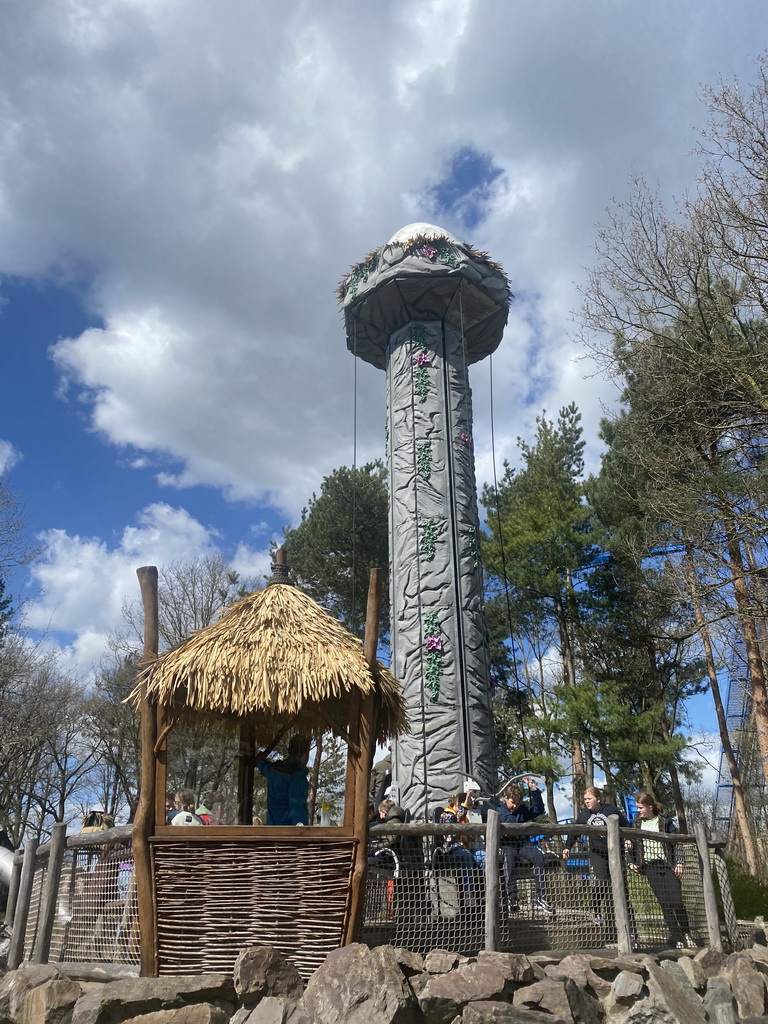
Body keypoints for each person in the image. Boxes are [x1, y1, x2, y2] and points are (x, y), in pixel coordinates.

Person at [626, 793, 693, 948]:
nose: (638, 811)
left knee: (677, 901)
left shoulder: (665, 822)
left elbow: (676, 842)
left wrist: (679, 862)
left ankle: (686, 933)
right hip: (650, 867)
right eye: (637, 808)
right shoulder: (636, 823)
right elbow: (629, 842)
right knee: (665, 904)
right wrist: (630, 860)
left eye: (641, 808)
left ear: (650, 807)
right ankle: (677, 938)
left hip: (667, 865)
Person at [562, 785, 629, 927]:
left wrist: (629, 839)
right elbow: (575, 831)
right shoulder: (584, 815)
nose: (587, 802)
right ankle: (594, 906)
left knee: (619, 885)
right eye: (585, 799)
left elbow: (625, 825)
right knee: (602, 881)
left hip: (615, 852)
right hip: (597, 853)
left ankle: (622, 921)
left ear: (598, 799)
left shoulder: (611, 810)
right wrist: (567, 847)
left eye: (589, 799)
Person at [498, 778, 554, 915]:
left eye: (517, 803)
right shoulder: (498, 810)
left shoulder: (522, 810)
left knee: (538, 855)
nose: (515, 806)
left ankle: (541, 898)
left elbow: (538, 809)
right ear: (506, 799)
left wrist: (534, 790)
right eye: (512, 803)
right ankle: (512, 899)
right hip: (507, 846)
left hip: (523, 845)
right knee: (508, 858)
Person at [256, 734, 311, 826]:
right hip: (288, 833)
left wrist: (260, 760)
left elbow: (262, 765)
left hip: (273, 830)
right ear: (304, 754)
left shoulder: (274, 770)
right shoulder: (297, 776)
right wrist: (302, 831)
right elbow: (297, 806)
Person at [439, 792, 478, 907]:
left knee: (484, 856)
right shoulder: (447, 814)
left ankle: (487, 894)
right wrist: (465, 804)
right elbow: (454, 822)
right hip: (451, 851)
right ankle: (468, 894)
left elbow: (471, 835)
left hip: (465, 849)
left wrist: (469, 836)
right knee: (466, 856)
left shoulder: (464, 818)